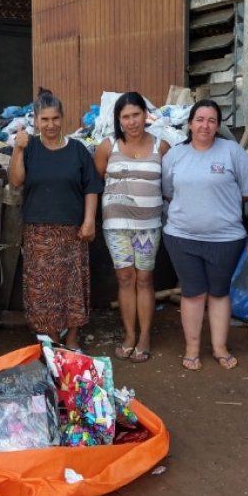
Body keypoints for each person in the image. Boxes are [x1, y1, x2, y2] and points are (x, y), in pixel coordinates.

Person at [162, 99, 248, 371]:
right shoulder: (175, 156)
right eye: (199, 119)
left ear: (218, 125)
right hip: (182, 237)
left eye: (211, 120)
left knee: (219, 292)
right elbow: (168, 192)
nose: (205, 125)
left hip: (225, 239)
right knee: (192, 293)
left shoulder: (232, 152)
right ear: (190, 124)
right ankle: (192, 349)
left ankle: (219, 347)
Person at [8, 89, 103, 350]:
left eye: (55, 119)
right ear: (36, 120)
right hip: (39, 234)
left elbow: (91, 187)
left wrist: (89, 221)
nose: (50, 125)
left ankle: (72, 340)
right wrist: (18, 149)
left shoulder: (77, 150)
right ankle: (51, 342)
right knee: (43, 292)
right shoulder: (30, 148)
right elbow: (16, 181)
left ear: (63, 118)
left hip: (72, 232)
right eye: (45, 119)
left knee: (72, 289)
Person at [94, 92, 170, 363]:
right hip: (116, 226)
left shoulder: (161, 147)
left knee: (145, 279)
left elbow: (170, 187)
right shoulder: (108, 147)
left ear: (144, 115)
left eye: (135, 114)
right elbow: (95, 182)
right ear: (118, 119)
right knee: (125, 279)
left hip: (148, 226)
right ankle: (129, 335)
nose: (131, 121)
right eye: (125, 116)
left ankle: (145, 336)